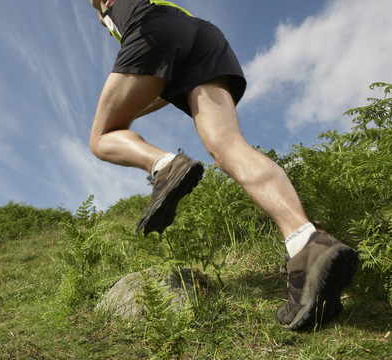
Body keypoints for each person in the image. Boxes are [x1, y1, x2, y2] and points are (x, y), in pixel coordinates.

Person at [88, 0, 358, 331]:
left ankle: (163, 165)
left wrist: (119, 108)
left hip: (154, 29)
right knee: (228, 146)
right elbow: (160, 80)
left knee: (101, 137)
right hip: (203, 39)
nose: (102, 23)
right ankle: (304, 241)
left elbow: (147, 50)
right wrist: (129, 105)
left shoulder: (111, 10)